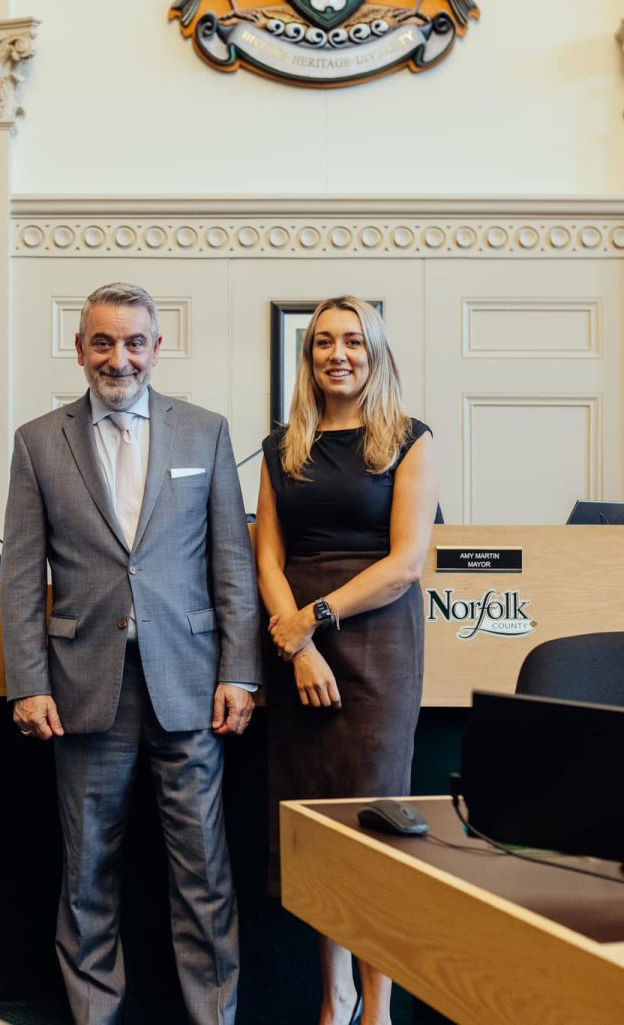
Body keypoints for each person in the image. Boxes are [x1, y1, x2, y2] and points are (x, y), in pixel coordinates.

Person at [1, 282, 260, 1025]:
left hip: (190, 683)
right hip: (83, 688)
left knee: (204, 873)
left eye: (135, 342)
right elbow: (21, 574)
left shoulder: (204, 432)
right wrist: (27, 681)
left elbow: (230, 562)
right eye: (104, 342)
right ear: (81, 349)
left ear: (155, 348)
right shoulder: (37, 441)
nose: (120, 358)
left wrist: (240, 668)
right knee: (87, 874)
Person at [253, 296, 437, 1025]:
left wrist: (314, 619)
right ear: (309, 356)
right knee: (317, 823)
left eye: (354, 341)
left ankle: (380, 1010)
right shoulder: (282, 447)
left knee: (376, 823)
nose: (339, 353)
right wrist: (297, 643)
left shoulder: (408, 439)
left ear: (376, 352)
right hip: (295, 646)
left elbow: (405, 562)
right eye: (324, 341)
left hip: (377, 640)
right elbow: (267, 554)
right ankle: (335, 1001)